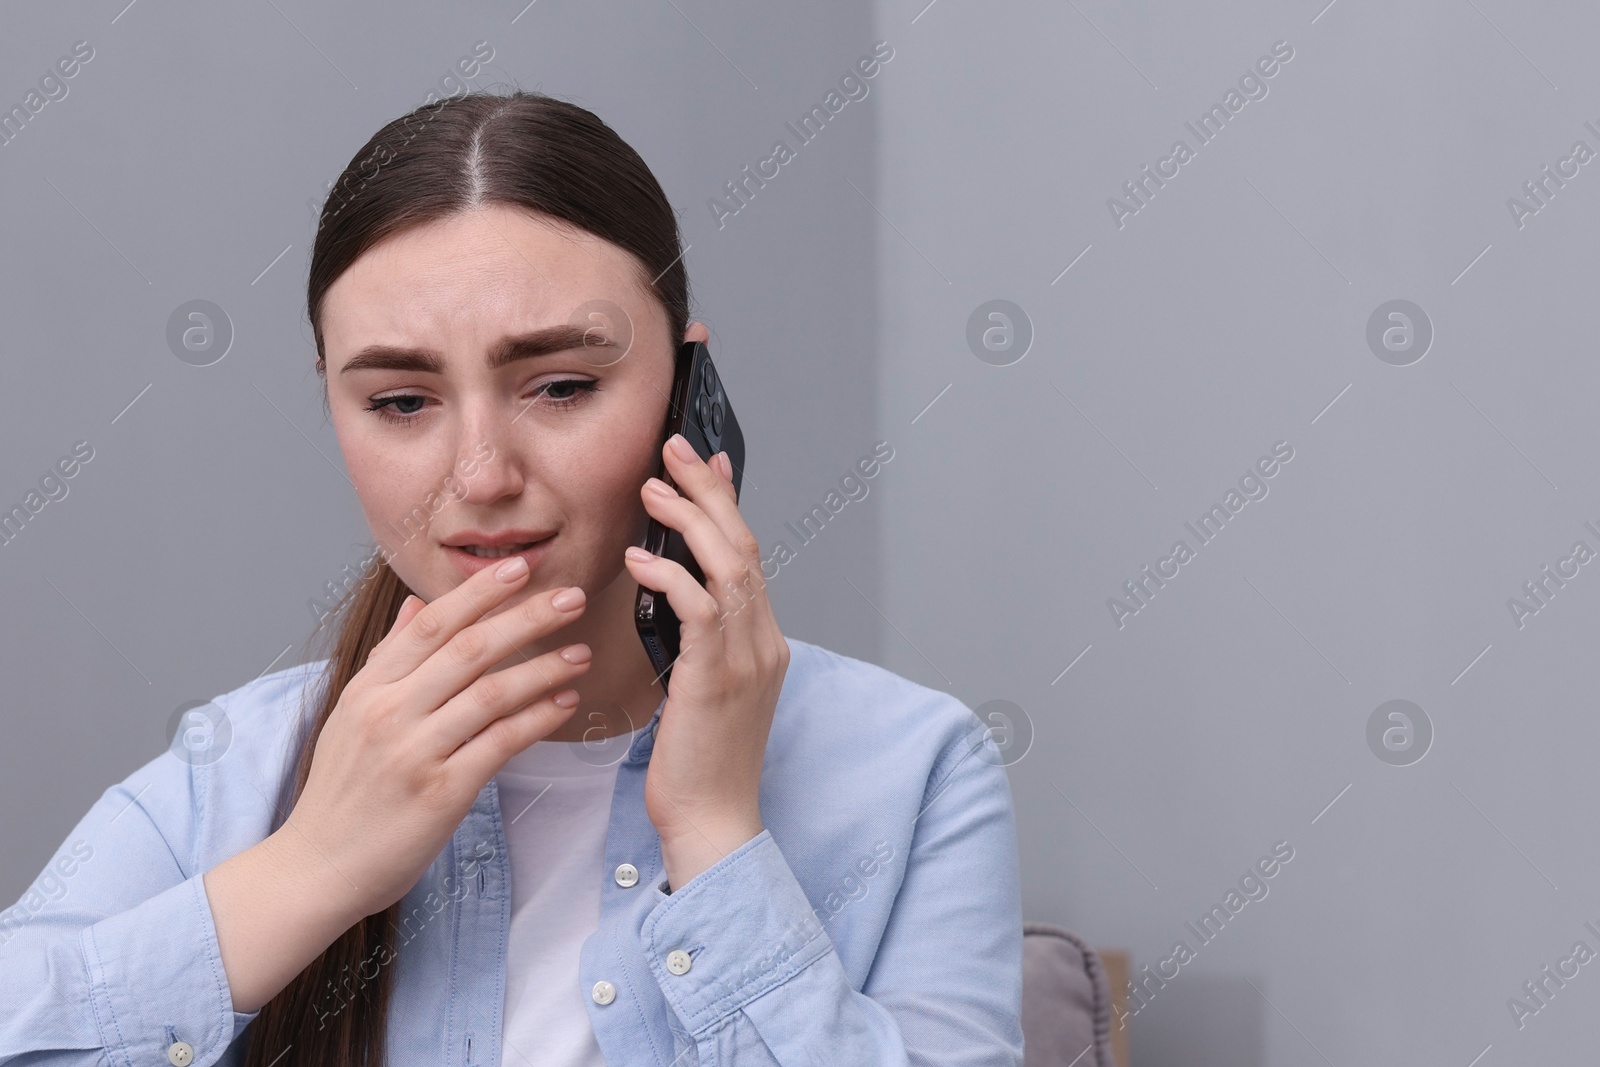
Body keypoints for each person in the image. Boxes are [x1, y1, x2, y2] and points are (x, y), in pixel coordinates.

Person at [0, 89, 1024, 1066]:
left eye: (563, 386)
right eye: (402, 401)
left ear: (691, 393)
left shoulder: (914, 769)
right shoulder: (228, 767)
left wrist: (715, 831)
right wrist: (313, 866)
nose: (481, 475)